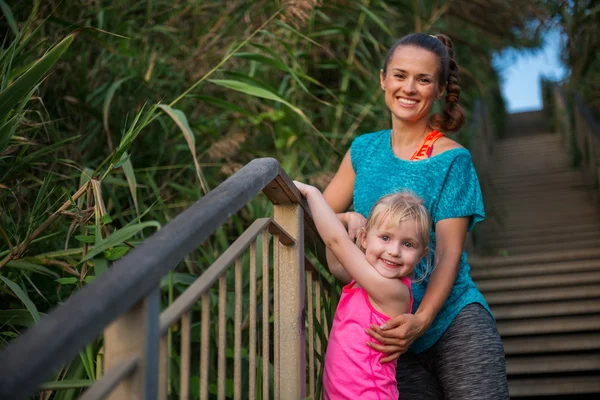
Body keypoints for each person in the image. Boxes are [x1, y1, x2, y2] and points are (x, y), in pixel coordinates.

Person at [322, 33, 509, 399]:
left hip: (451, 322)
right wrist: (346, 220)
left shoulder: (452, 159)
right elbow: (320, 215)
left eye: (423, 79)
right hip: (385, 331)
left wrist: (421, 320)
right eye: (400, 75)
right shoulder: (364, 150)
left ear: (439, 89)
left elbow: (448, 253)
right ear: (383, 79)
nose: (409, 88)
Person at [295, 181, 430, 399]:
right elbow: (336, 263)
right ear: (365, 239)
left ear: (421, 254)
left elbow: (337, 241)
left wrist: (312, 193)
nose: (394, 251)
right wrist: (347, 218)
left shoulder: (394, 291)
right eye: (385, 238)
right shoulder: (365, 279)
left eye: (408, 244)